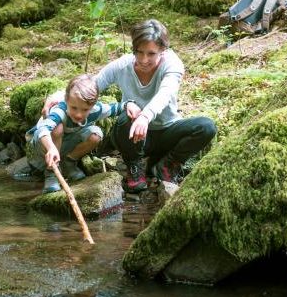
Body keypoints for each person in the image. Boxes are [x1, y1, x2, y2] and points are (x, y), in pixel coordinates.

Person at [43, 19, 217, 193]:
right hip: (131, 134)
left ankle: (167, 165)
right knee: (128, 114)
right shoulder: (123, 65)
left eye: (151, 53)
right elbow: (92, 84)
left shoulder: (172, 64)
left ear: (162, 50)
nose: (143, 59)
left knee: (206, 127)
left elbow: (165, 93)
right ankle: (134, 167)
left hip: (167, 130)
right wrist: (58, 96)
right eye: (139, 52)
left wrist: (146, 116)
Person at [26, 74, 127, 194]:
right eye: (74, 108)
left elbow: (115, 108)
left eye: (85, 110)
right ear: (66, 100)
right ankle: (51, 174)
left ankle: (69, 162)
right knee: (56, 128)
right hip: (43, 147)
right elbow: (44, 128)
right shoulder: (59, 110)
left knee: (96, 134)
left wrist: (129, 104)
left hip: (64, 145)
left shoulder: (96, 109)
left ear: (93, 105)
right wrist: (51, 148)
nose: (79, 114)